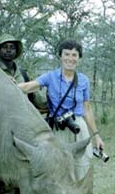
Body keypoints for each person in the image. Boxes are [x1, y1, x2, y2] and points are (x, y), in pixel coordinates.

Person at [18, 39, 104, 181]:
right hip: (59, 128)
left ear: (79, 58)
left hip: (78, 127)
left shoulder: (83, 80)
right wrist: (9, 83)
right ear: (60, 56)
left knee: (82, 167)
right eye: (67, 54)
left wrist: (96, 136)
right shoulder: (50, 77)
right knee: (59, 168)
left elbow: (87, 110)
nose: (70, 58)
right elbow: (28, 87)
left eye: (74, 55)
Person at [0, 33, 46, 194]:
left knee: (25, 166)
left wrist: (53, 102)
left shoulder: (22, 73)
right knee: (4, 169)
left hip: (23, 126)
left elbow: (35, 98)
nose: (8, 50)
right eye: (5, 47)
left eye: (12, 47)